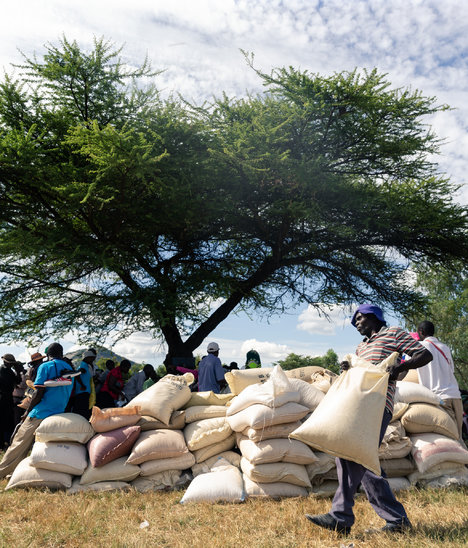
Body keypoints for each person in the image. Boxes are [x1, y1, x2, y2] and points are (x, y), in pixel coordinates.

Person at [306, 304, 433, 536]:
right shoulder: (361, 347)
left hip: (377, 406)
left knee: (354, 456)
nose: (356, 323)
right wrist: (348, 368)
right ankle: (395, 521)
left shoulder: (393, 333)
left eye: (360, 318)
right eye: (355, 320)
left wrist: (399, 369)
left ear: (375, 317)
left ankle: (341, 516)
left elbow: (424, 354)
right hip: (356, 405)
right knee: (358, 459)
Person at [0, 342, 75, 478]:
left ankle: (2, 471)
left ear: (47, 355)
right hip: (58, 412)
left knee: (19, 443)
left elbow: (38, 392)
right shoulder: (69, 369)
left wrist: (28, 411)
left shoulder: (45, 366)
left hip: (40, 412)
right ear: (61, 353)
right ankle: (19, 472)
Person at [416, 320, 464, 441]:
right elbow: (451, 370)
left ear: (421, 332)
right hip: (456, 396)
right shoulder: (445, 347)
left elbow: (405, 365)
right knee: (458, 437)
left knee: (448, 438)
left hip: (440, 398)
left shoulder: (419, 347)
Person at [0, 354, 23, 450]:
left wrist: (18, 372)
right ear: (5, 362)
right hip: (1, 398)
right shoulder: (1, 371)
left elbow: (18, 381)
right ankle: (1, 444)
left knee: (9, 420)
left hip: (8, 398)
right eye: (10, 363)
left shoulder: (10, 371)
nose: (11, 365)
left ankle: (7, 441)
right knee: (1, 421)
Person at [69, 350, 95, 419]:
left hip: (85, 391)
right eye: (91, 358)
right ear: (87, 357)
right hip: (82, 391)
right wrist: (82, 385)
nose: (92, 360)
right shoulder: (83, 366)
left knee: (83, 409)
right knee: (81, 410)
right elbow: (77, 375)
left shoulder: (87, 366)